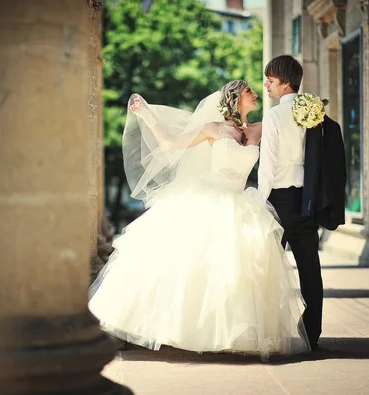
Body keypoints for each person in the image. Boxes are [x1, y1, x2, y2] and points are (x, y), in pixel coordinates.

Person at [88, 80, 310, 360]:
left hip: (240, 202)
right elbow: (171, 143)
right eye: (248, 91)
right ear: (235, 97)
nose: (255, 94)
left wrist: (306, 114)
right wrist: (147, 115)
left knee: (235, 272)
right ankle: (165, 326)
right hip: (207, 197)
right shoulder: (213, 129)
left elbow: (287, 143)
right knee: (186, 266)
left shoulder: (260, 128)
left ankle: (229, 333)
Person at [258, 55, 323, 351]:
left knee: (269, 268)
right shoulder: (313, 111)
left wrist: (260, 201)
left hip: (278, 201)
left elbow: (267, 165)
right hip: (306, 199)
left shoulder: (274, 116)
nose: (266, 85)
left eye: (270, 81)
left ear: (285, 83)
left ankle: (269, 331)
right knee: (310, 267)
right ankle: (313, 333)